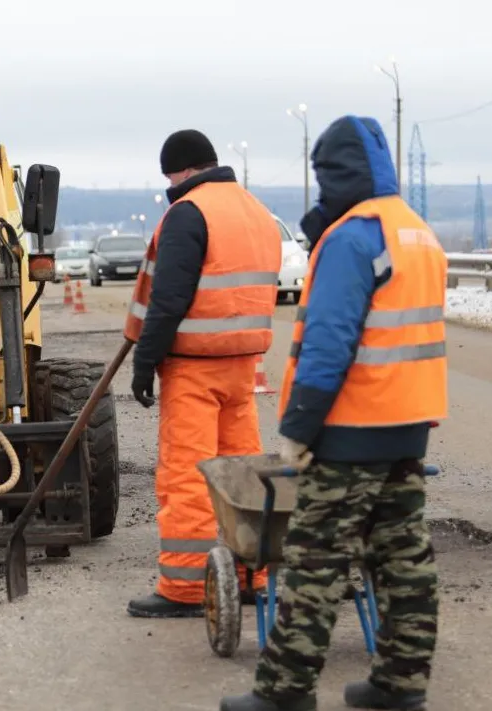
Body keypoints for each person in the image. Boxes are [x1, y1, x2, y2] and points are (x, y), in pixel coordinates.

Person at [221, 116, 446, 711]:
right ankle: (401, 683)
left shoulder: (353, 237)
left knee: (316, 561)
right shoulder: (414, 230)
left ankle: (284, 692)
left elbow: (328, 343)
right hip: (408, 425)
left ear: (338, 172)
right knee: (404, 560)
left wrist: (298, 428)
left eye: (323, 175)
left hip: (352, 427)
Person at [123, 129, 279, 619]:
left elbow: (168, 299)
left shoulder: (189, 212)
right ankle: (253, 577)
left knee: (188, 477)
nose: (170, 184)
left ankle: (186, 588)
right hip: (242, 367)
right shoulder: (255, 210)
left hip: (194, 369)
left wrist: (145, 361)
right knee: (244, 477)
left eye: (169, 175)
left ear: (183, 169)